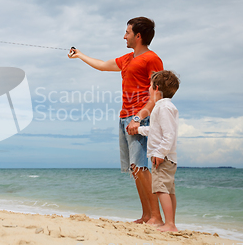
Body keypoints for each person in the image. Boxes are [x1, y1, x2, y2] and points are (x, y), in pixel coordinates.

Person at [69, 17, 163, 225]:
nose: (124, 36)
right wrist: (80, 55)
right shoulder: (127, 59)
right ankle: (146, 215)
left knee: (141, 167)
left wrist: (139, 118)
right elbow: (102, 65)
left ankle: (156, 217)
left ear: (138, 36)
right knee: (135, 168)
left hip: (139, 118)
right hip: (124, 117)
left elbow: (157, 94)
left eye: (127, 32)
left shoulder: (152, 59)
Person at [138, 70, 180, 232]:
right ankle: (170, 222)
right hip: (167, 156)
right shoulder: (165, 107)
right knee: (168, 190)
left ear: (156, 88)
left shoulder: (163, 108)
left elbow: (169, 134)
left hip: (162, 156)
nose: (148, 89)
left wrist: (160, 152)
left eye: (149, 86)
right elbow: (157, 130)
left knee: (161, 189)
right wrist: (140, 130)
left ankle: (170, 224)